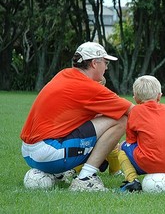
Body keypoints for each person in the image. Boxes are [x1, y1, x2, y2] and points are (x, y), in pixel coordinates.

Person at [20, 42, 133, 191]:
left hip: (29, 153)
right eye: (105, 63)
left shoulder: (64, 74)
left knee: (99, 120)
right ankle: (86, 178)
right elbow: (133, 111)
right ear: (94, 63)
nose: (106, 67)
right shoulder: (90, 87)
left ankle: (60, 173)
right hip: (49, 154)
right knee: (121, 120)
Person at [118, 75, 165, 192]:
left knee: (122, 147)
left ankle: (132, 180)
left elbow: (131, 140)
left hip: (148, 163)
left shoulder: (135, 111)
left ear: (136, 98)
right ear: (159, 96)